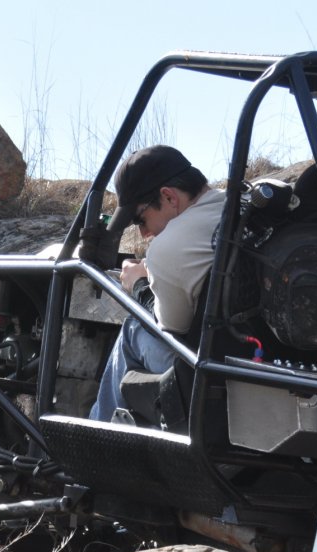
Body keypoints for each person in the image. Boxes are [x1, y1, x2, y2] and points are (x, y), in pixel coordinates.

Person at [89, 145, 225, 422]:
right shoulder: (234, 204)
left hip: (210, 376)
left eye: (141, 219)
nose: (144, 232)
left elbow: (170, 328)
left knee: (134, 328)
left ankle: (94, 443)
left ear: (168, 196)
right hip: (256, 365)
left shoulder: (170, 244)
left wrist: (138, 284)